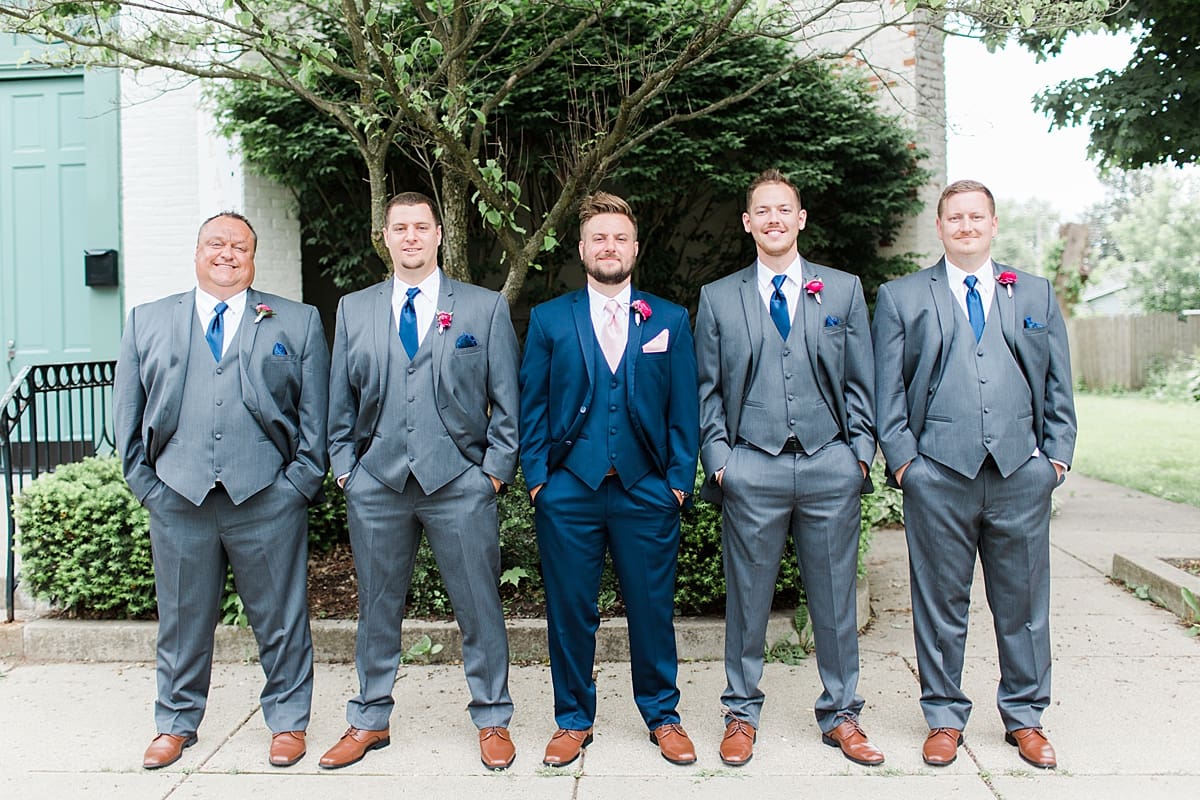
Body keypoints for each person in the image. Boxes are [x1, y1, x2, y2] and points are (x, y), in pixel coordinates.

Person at [872, 179, 1076, 770]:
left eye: (975, 217)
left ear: (992, 224)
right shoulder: (903, 296)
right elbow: (889, 391)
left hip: (1020, 473)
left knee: (1024, 602)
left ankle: (1026, 717)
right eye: (954, 218)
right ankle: (943, 716)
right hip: (938, 473)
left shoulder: (1033, 294)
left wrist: (1055, 458)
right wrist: (907, 463)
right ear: (939, 228)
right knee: (939, 601)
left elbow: (1059, 383)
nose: (965, 227)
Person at [115, 212, 329, 770]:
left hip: (266, 498)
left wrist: (296, 487)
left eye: (240, 246)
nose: (227, 253)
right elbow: (128, 420)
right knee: (182, 619)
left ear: (253, 257)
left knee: (281, 618)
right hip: (178, 499)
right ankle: (176, 722)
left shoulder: (296, 321)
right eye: (217, 243)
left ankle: (287, 721)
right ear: (196, 252)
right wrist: (149, 488)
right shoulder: (147, 321)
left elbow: (317, 419)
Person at [320, 191, 520, 771]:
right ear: (385, 237)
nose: (410, 236)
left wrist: (493, 475)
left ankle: (492, 717)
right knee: (376, 606)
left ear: (438, 235)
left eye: (420, 227)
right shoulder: (354, 309)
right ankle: (368, 718)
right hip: (376, 483)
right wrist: (345, 472)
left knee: (479, 604)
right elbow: (340, 402)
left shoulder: (482, 309)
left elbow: (507, 403)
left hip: (460, 482)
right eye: (399, 227)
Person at [694, 169, 882, 767]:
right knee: (747, 599)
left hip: (830, 463)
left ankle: (842, 715)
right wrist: (722, 461)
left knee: (835, 599)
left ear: (800, 219)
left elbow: (861, 381)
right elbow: (707, 391)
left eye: (785, 210)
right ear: (748, 223)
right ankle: (740, 713)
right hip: (753, 465)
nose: (774, 219)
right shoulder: (718, 297)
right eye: (762, 211)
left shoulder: (843, 289)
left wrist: (857, 456)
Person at [519, 192, 699, 767]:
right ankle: (573, 719)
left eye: (620, 238)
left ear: (636, 248)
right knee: (570, 609)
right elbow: (533, 406)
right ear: (582, 249)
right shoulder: (550, 319)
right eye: (599, 238)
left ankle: (662, 715)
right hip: (569, 489)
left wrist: (677, 480)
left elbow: (684, 407)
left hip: (647, 487)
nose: (610, 247)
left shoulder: (668, 318)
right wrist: (539, 480)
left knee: (653, 607)